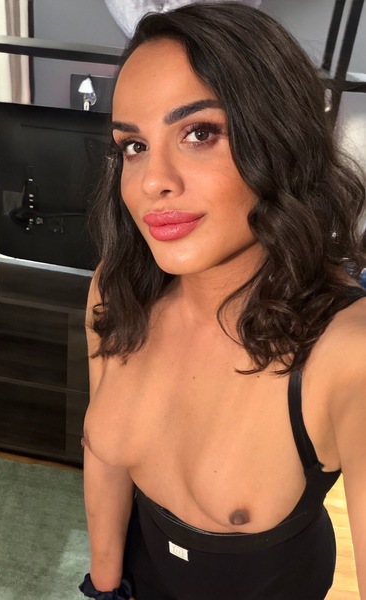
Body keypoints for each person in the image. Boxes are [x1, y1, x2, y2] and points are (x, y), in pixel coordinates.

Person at [78, 3, 366, 599]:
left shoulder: (347, 352)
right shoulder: (118, 287)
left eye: (199, 133)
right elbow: (103, 458)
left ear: (278, 138)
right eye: (133, 145)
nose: (152, 181)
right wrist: (105, 590)